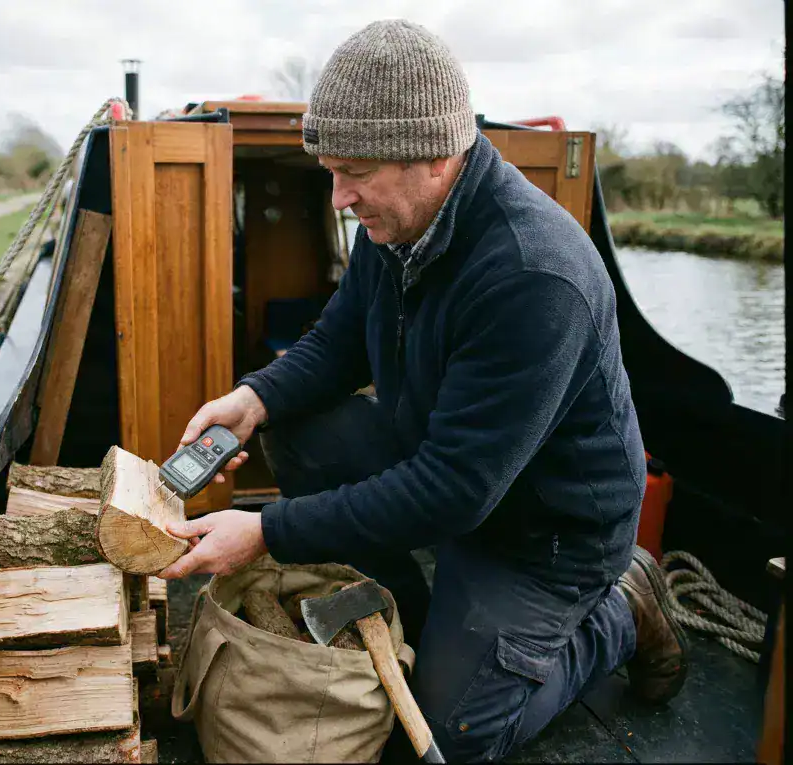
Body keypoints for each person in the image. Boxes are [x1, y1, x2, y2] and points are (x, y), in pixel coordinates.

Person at [157, 19, 688, 761]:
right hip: (451, 466)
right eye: (331, 172)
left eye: (356, 173)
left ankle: (625, 606)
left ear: (437, 156)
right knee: (292, 426)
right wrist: (252, 399)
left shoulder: (534, 276)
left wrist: (266, 531)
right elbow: (339, 340)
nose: (339, 198)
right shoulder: (398, 223)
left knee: (448, 736)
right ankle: (424, 613)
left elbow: (454, 488)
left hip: (546, 533)